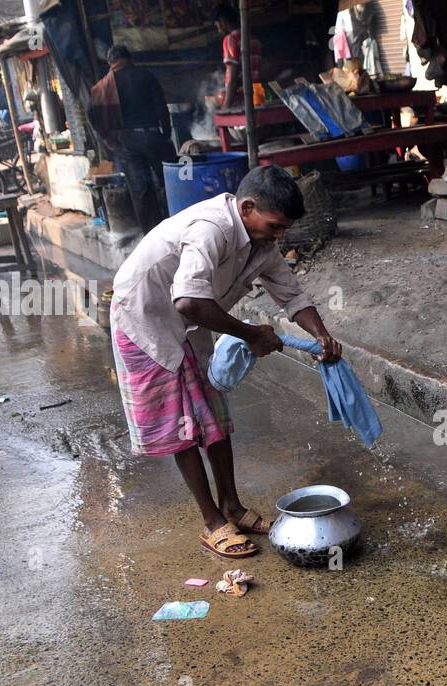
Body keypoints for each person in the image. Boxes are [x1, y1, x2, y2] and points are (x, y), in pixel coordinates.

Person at [109, 165, 341, 559]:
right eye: (275, 225)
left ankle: (231, 505)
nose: (280, 235)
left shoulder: (261, 243)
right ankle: (213, 522)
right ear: (247, 207)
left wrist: (321, 335)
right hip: (145, 319)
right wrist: (251, 334)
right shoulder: (210, 228)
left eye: (284, 228)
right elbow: (187, 301)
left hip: (189, 322)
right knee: (181, 426)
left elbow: (293, 296)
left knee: (213, 415)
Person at [89, 45, 176, 233]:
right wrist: (165, 135)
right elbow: (162, 107)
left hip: (126, 143)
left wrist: (111, 142)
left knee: (140, 190)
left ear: (110, 62)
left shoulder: (103, 86)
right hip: (153, 136)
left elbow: (93, 116)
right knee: (168, 182)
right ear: (129, 58)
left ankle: (152, 234)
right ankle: (175, 225)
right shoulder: (146, 76)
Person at [214, 3, 262, 111]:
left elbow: (232, 78)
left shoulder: (230, 39)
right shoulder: (254, 39)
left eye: (217, 25)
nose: (218, 30)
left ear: (223, 21)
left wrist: (226, 107)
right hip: (256, 98)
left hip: (240, 101)